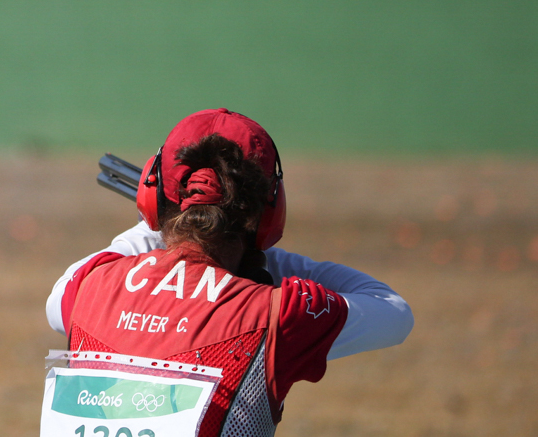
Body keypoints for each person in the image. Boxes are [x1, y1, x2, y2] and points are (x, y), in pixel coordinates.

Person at [46, 109, 412, 437]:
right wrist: (266, 261)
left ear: (151, 194)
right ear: (268, 213)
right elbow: (393, 312)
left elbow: (74, 287)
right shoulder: (277, 316)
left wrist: (150, 228)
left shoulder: (88, 286)